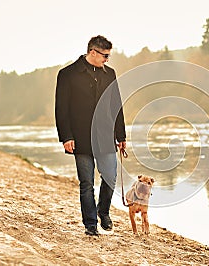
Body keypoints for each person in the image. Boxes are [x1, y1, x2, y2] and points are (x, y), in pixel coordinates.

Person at [55, 35, 126, 236]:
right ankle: (90, 224)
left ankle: (103, 212)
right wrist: (66, 136)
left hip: (105, 136)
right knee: (86, 183)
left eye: (109, 56)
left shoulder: (110, 74)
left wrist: (121, 136)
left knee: (110, 177)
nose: (107, 59)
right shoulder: (67, 74)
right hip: (80, 138)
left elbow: (116, 106)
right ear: (92, 52)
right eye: (105, 55)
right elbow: (61, 108)